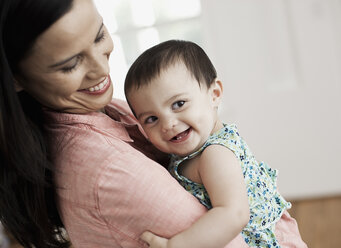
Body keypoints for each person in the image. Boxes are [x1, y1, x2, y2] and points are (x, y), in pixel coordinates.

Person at [0, 0, 251, 247]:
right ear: (14, 78)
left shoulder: (107, 110)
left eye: (99, 36)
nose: (101, 68)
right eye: (70, 64)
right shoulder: (111, 170)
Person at [124, 40, 308, 248]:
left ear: (214, 94)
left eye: (178, 104)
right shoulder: (198, 148)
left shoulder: (215, 155)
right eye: (151, 119)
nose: (168, 124)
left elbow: (234, 214)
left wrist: (176, 245)